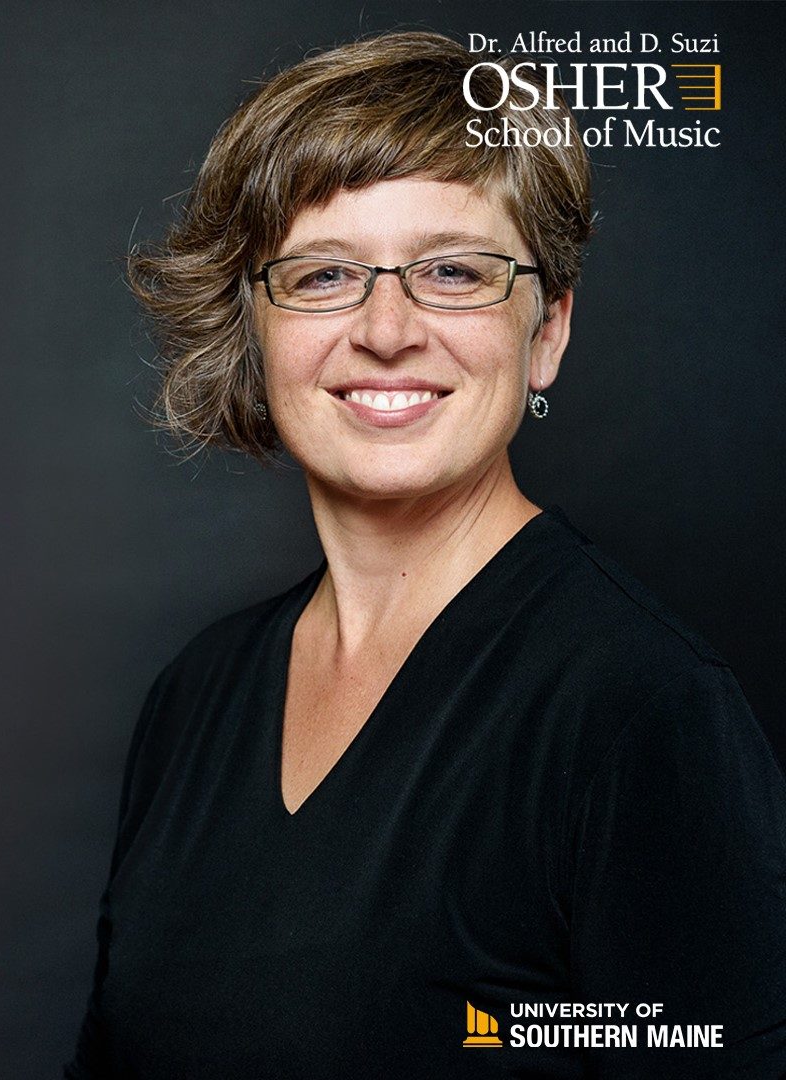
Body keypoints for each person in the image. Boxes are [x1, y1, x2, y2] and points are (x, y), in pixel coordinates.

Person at [65, 31, 786, 1079]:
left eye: (454, 271)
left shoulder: (641, 710)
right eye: (322, 276)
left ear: (547, 332)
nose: (387, 328)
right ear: (254, 329)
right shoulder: (196, 698)